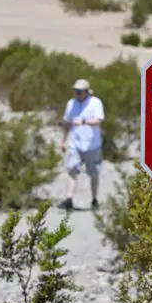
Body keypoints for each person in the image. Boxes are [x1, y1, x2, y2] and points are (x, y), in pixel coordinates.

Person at [59, 78, 105, 210]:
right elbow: (67, 122)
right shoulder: (71, 104)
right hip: (75, 143)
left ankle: (94, 199)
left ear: (86, 92)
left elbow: (98, 120)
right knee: (72, 170)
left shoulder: (95, 103)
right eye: (75, 91)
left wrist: (83, 122)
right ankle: (69, 199)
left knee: (94, 173)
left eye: (79, 91)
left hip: (92, 145)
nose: (77, 94)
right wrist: (64, 140)